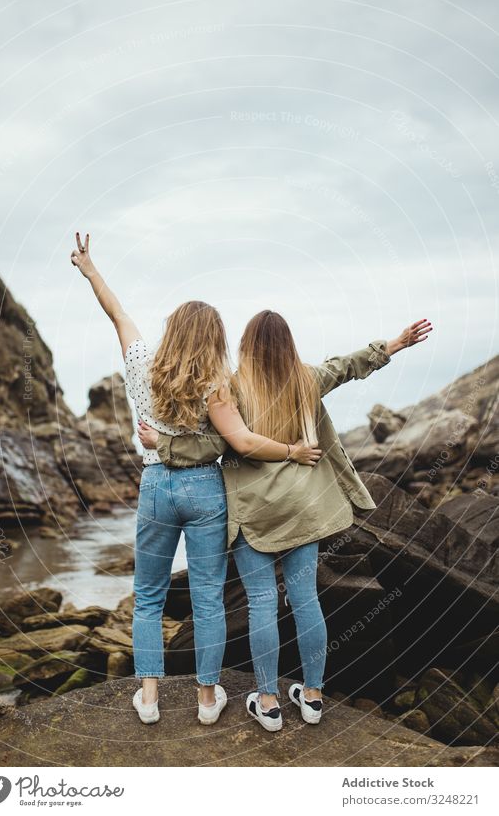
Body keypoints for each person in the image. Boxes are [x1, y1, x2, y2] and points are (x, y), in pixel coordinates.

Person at [138, 311, 432, 731]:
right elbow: (348, 366)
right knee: (305, 598)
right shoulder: (307, 379)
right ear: (288, 344)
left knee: (261, 603)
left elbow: (208, 447)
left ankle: (269, 701)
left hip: (256, 511)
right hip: (304, 507)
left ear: (245, 346)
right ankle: (312, 697)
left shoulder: (231, 389)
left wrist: (163, 443)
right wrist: (394, 344)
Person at [70, 235, 321, 726]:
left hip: (156, 487)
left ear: (173, 329)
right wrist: (293, 451)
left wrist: (90, 269)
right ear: (214, 338)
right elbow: (241, 442)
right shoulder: (218, 383)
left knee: (148, 595)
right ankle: (208, 701)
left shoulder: (142, 362)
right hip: (207, 490)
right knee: (208, 596)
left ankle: (149, 697)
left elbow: (117, 313)